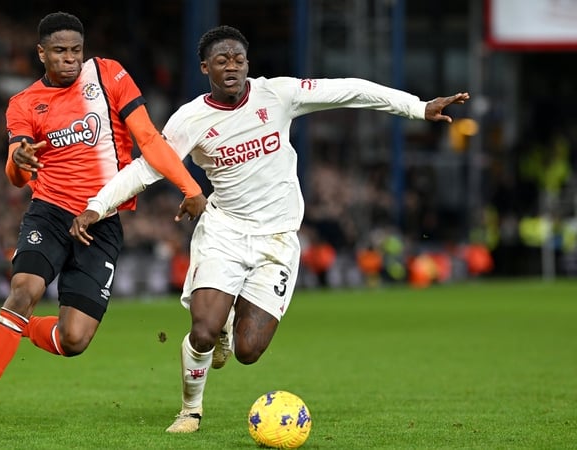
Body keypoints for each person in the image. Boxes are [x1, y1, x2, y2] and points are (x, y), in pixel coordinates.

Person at [70, 25, 469, 433]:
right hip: (224, 232)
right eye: (222, 61)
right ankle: (191, 410)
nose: (232, 67)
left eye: (239, 60)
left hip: (277, 240)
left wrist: (417, 108)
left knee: (248, 351)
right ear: (205, 67)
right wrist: (96, 206)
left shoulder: (278, 94)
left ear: (248, 64)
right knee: (204, 330)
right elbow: (147, 167)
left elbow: (349, 89)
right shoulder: (191, 118)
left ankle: (230, 324)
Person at [0, 12, 207, 442]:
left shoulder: (109, 75)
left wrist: (188, 185)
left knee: (74, 339)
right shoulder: (24, 103)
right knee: (24, 290)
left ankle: (15, 325)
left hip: (102, 220)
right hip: (48, 213)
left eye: (75, 51)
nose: (69, 60)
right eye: (59, 52)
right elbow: (15, 172)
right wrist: (18, 161)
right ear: (41, 53)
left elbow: (148, 138)